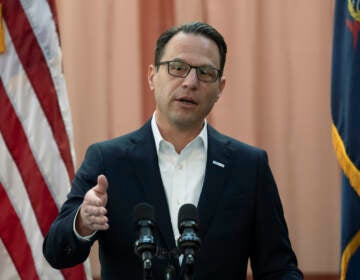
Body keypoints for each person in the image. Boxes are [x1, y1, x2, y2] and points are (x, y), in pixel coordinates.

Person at [43, 21, 303, 279]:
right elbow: (57, 252)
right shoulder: (108, 160)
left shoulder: (249, 166)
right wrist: (82, 223)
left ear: (220, 88)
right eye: (177, 68)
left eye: (205, 73)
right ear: (152, 76)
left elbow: (278, 268)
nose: (190, 82)